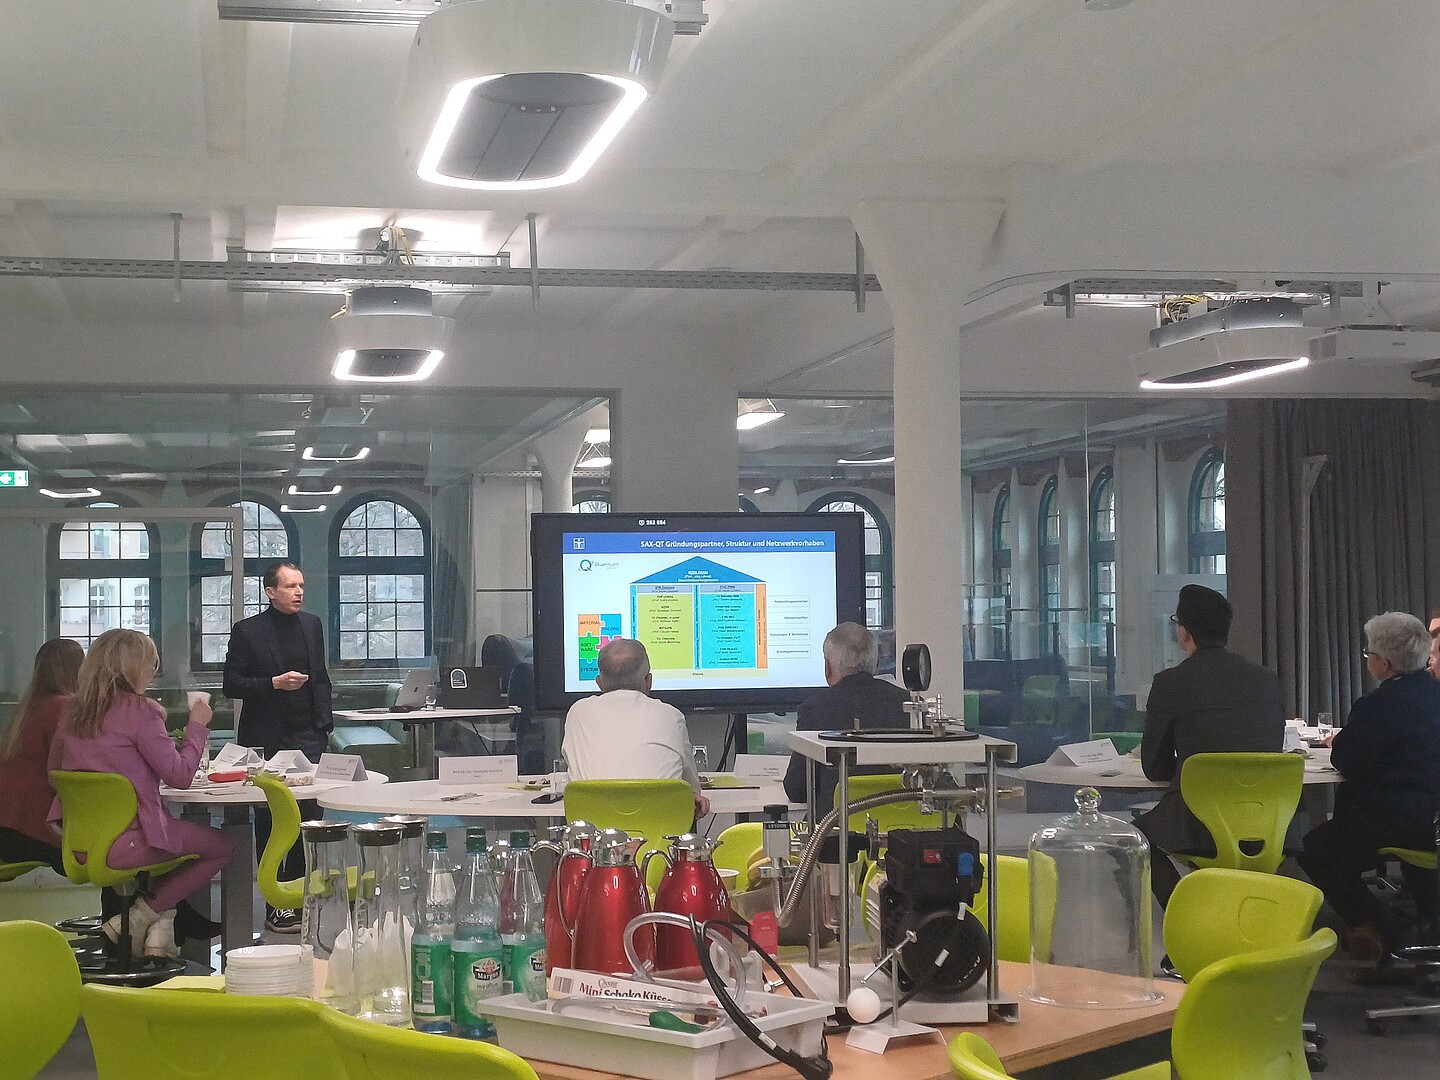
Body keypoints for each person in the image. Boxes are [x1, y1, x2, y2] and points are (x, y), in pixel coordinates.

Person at [47, 629, 233, 959]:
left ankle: (160, 929)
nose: (152, 672)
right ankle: (141, 916)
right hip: (131, 843)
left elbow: (55, 774)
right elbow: (180, 776)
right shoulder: (140, 712)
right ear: (133, 668)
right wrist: (197, 725)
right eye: (151, 664)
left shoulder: (72, 712)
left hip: (81, 846)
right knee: (223, 846)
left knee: (176, 843)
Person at [1298, 612, 1440, 960]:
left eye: (1369, 654)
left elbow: (1346, 761)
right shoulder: (1433, 694)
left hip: (1398, 820)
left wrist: (1342, 742)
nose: (1367, 660)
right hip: (1430, 820)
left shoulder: (1379, 704)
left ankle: (1385, 927)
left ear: (1384, 663)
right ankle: (1424, 920)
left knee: (1316, 848)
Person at [1134, 584, 1285, 909]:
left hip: (1197, 824)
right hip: (1265, 820)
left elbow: (1154, 767)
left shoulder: (1170, 683)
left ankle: (1182, 909)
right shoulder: (1266, 679)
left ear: (1184, 632)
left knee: (1137, 838)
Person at [222, 561, 333, 933]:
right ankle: (274, 901)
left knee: (308, 820)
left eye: (301, 585)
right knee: (271, 820)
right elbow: (231, 684)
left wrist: (324, 725)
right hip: (267, 738)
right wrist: (273, 683)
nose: (298, 592)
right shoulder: (248, 631)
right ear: (270, 592)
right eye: (289, 587)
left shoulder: (312, 625)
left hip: (308, 736)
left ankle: (298, 896)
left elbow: (320, 677)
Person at [561, 638, 710, 818]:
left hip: (594, 832)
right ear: (649, 681)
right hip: (661, 829)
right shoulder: (671, 715)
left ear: (599, 682)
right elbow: (690, 788)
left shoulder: (577, 712)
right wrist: (693, 794)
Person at [782, 622, 911, 807]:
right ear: (877, 663)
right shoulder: (910, 705)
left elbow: (797, 789)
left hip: (837, 823)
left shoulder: (815, 709)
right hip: (907, 821)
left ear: (828, 667)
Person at [0, 638, 84, 872]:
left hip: (8, 831)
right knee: (114, 852)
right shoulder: (64, 708)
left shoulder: (28, 708)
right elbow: (76, 770)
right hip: (34, 832)